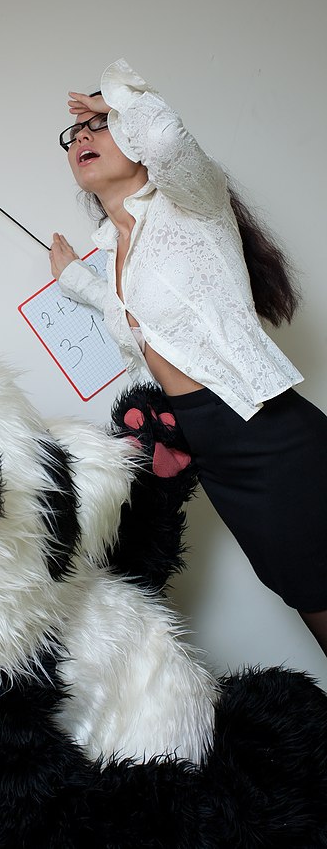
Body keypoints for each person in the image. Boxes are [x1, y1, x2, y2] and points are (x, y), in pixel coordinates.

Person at [50, 57, 327, 656]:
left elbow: (167, 140)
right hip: (216, 457)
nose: (83, 136)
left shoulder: (193, 202)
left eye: (99, 126)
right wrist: (75, 280)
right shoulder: (115, 251)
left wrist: (116, 98)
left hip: (267, 434)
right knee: (306, 596)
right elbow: (141, 320)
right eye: (74, 134)